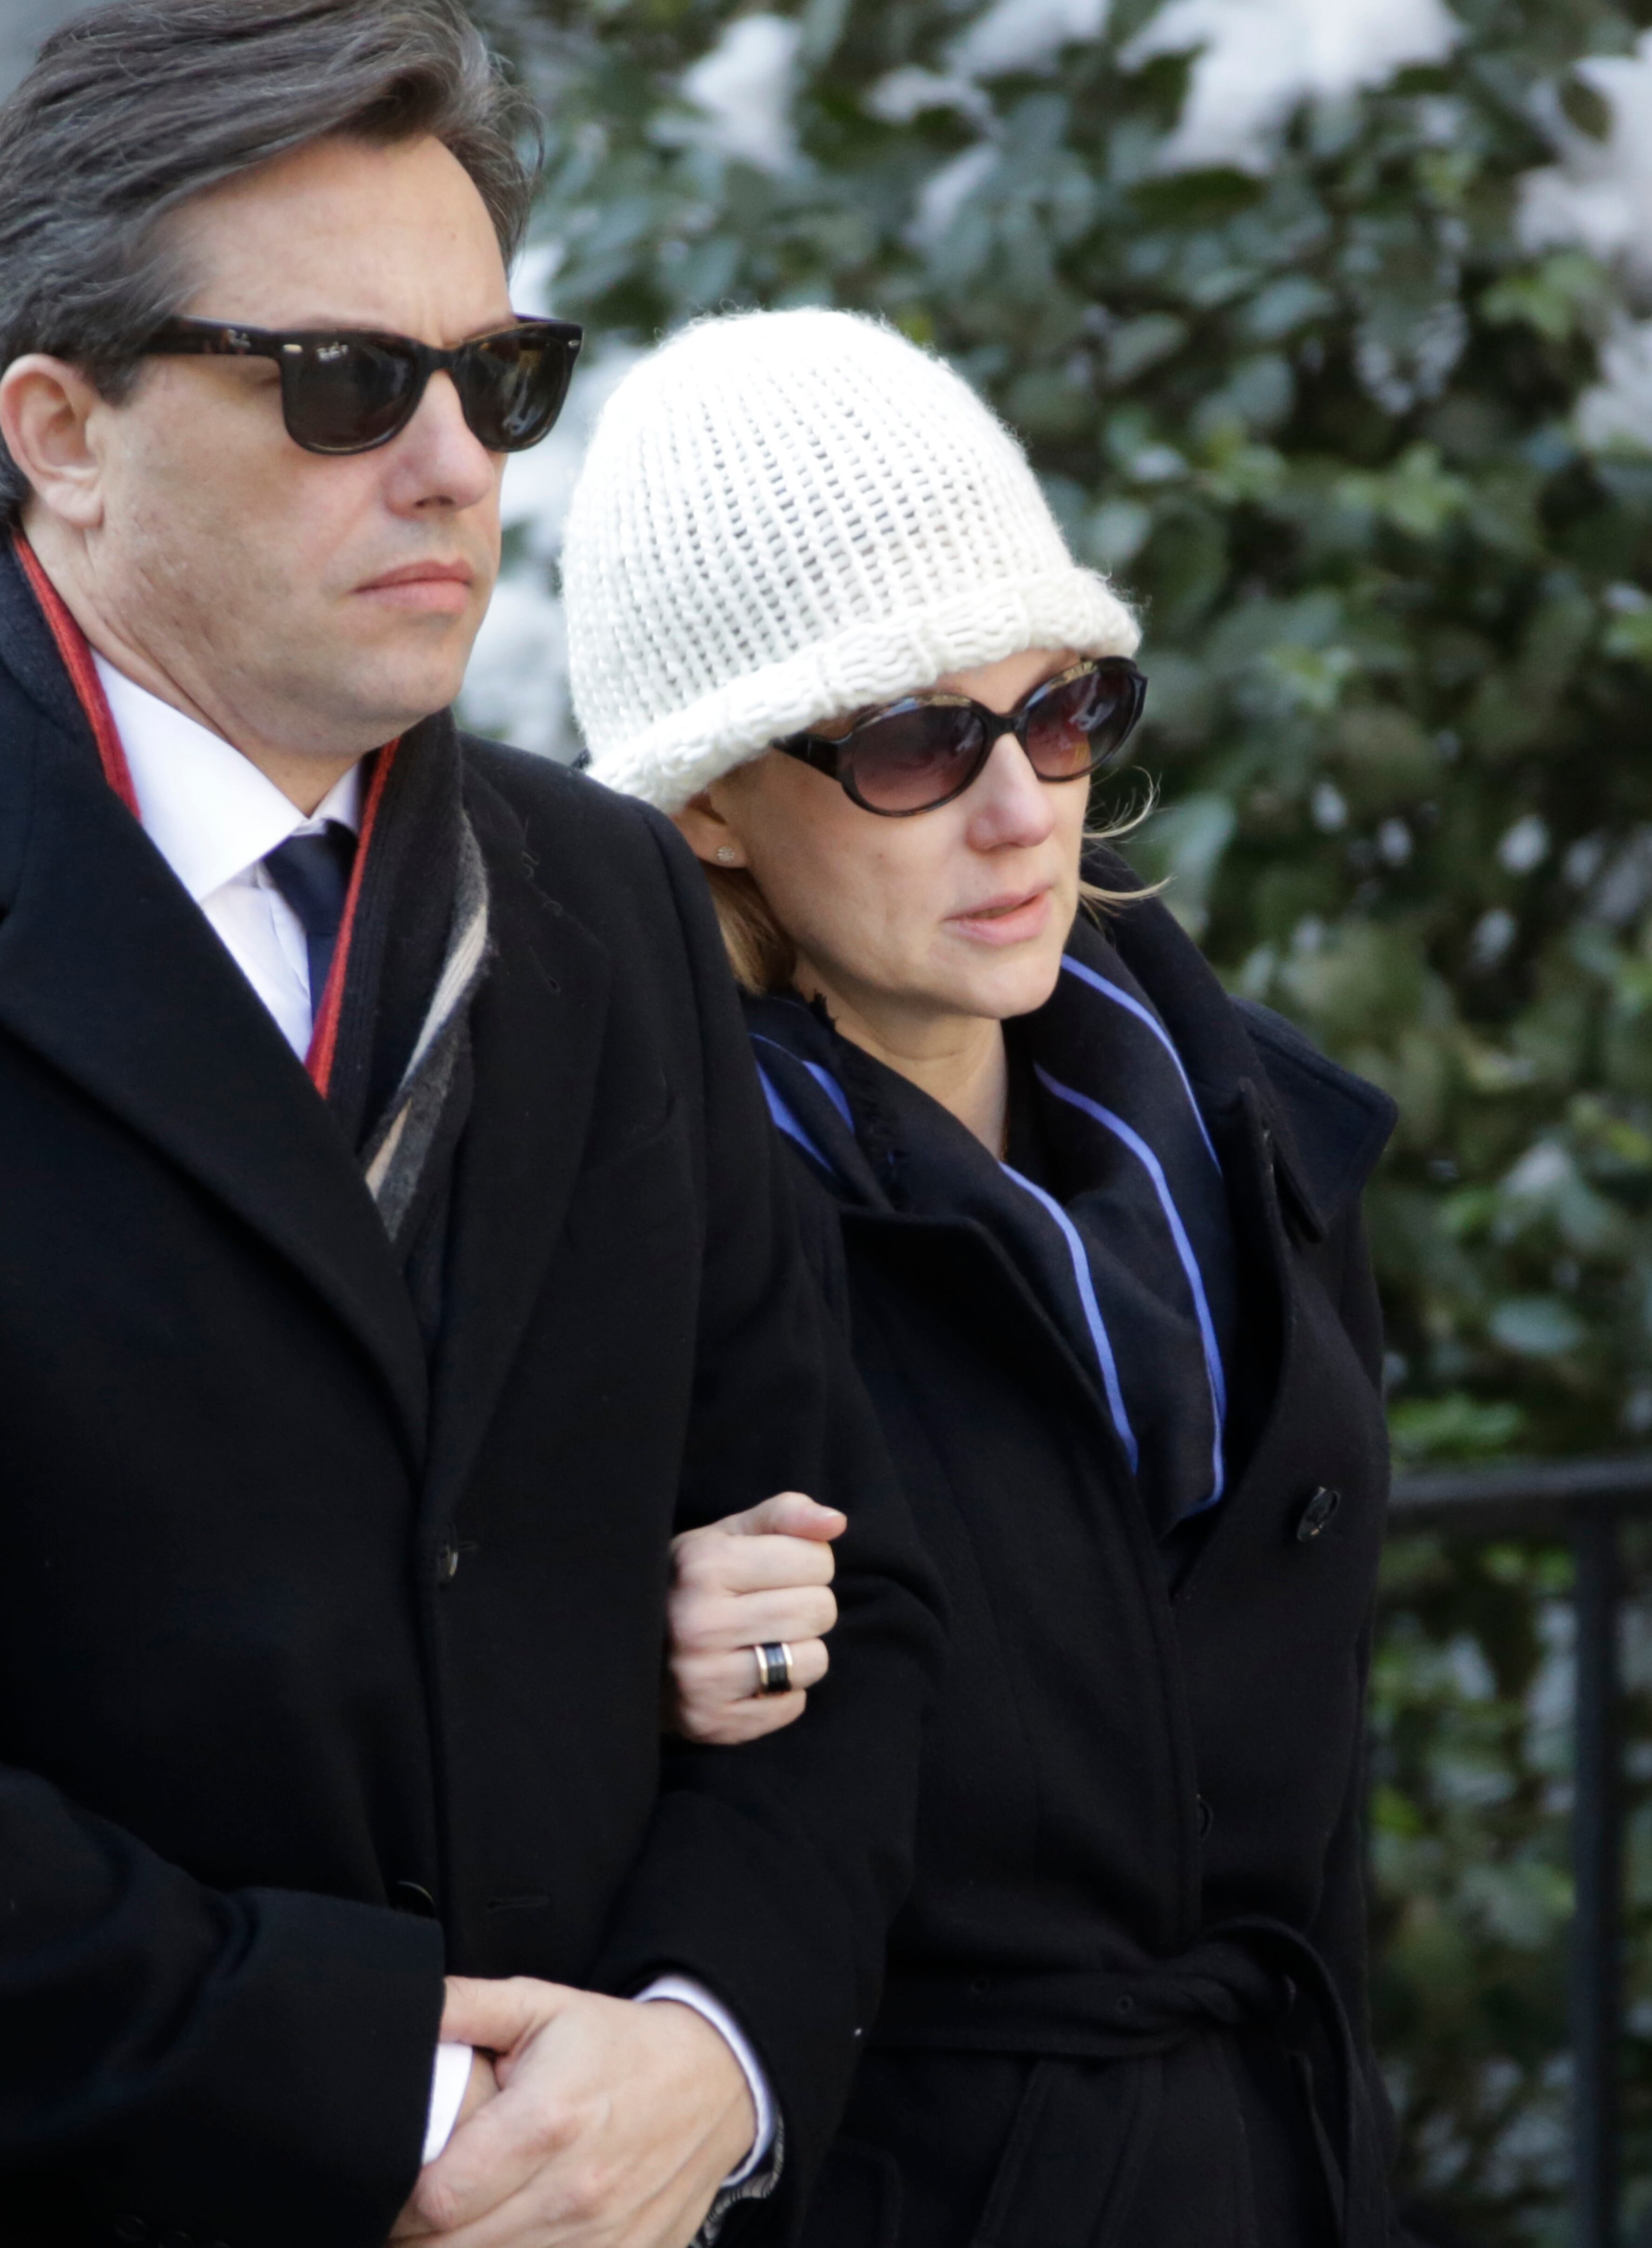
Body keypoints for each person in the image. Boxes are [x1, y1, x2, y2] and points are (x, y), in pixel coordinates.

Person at [0, 0, 942, 2248]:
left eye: (499, 377)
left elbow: (848, 1582)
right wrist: (389, 2094)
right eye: (346, 384)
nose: (460, 464)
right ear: (62, 428)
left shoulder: (604, 895)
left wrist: (707, 2049)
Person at [564, 309, 1402, 2248]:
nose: (1022, 804)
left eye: (1059, 709)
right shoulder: (637, 1211)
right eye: (914, 739)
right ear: (709, 801)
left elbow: (1317, 1844)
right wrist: (621, 1648)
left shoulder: (1253, 1134)